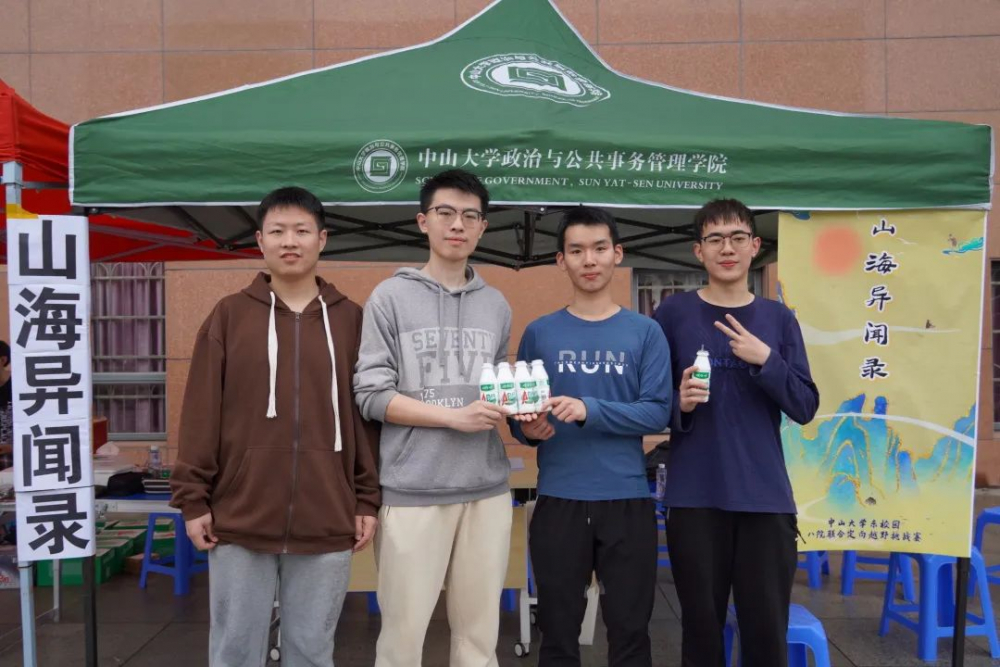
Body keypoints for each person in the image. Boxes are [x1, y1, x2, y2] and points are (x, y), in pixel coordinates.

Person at [170, 186, 380, 667]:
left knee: (312, 652)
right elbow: (200, 412)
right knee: (234, 651)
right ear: (260, 241)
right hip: (238, 519)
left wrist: (366, 498)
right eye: (278, 231)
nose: (290, 241)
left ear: (321, 239)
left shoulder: (351, 320)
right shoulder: (229, 315)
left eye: (302, 230)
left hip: (328, 517)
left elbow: (365, 419)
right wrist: (193, 499)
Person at [353, 169, 513, 667]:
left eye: (469, 216)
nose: (457, 224)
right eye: (445, 213)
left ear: (482, 227)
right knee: (403, 638)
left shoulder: (496, 305)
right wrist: (452, 418)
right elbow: (371, 395)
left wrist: (518, 403)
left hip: (486, 489)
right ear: (423, 221)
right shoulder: (389, 298)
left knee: (479, 637)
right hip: (413, 490)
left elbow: (494, 387)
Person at [653, 198, 819, 667]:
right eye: (715, 239)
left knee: (766, 633)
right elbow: (651, 403)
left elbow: (805, 405)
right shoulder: (673, 314)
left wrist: (767, 360)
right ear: (698, 250)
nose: (727, 248)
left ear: (754, 246)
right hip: (694, 496)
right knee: (700, 632)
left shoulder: (778, 319)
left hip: (765, 498)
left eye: (737, 237)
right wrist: (679, 403)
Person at [513, 206, 672, 667]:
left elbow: (657, 411)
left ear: (617, 254)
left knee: (631, 633)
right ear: (561, 260)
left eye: (599, 248)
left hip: (627, 500)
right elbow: (521, 412)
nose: (589, 260)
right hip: (559, 498)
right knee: (558, 635)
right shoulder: (540, 333)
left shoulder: (645, 332)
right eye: (577, 250)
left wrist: (590, 410)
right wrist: (527, 429)